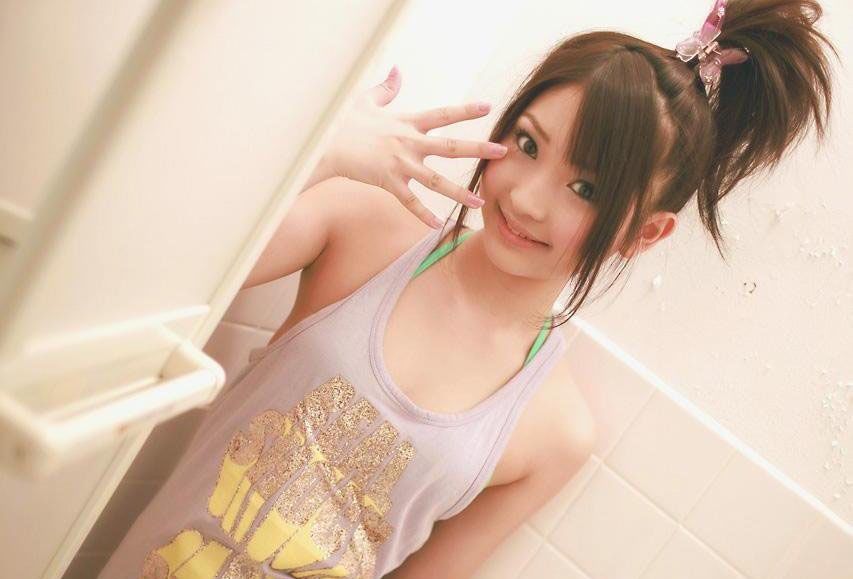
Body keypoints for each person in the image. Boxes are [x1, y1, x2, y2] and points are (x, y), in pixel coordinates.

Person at [96, 0, 837, 577]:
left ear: (642, 233)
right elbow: (158, 272)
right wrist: (323, 152)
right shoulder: (368, 227)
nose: (527, 198)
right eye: (527, 144)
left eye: (585, 187)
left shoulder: (554, 430)